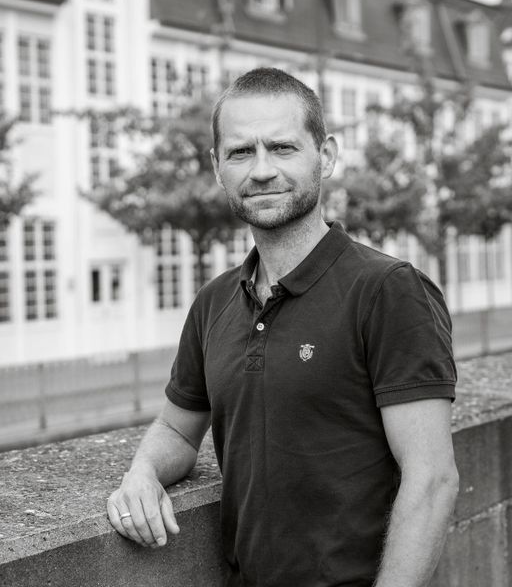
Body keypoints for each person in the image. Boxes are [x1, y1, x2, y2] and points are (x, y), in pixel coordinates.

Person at [107, 67, 459, 586]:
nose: (262, 170)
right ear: (217, 167)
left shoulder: (388, 290)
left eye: (282, 147)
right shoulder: (214, 302)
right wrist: (141, 473)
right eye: (240, 152)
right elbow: (178, 429)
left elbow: (431, 480)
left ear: (326, 156)